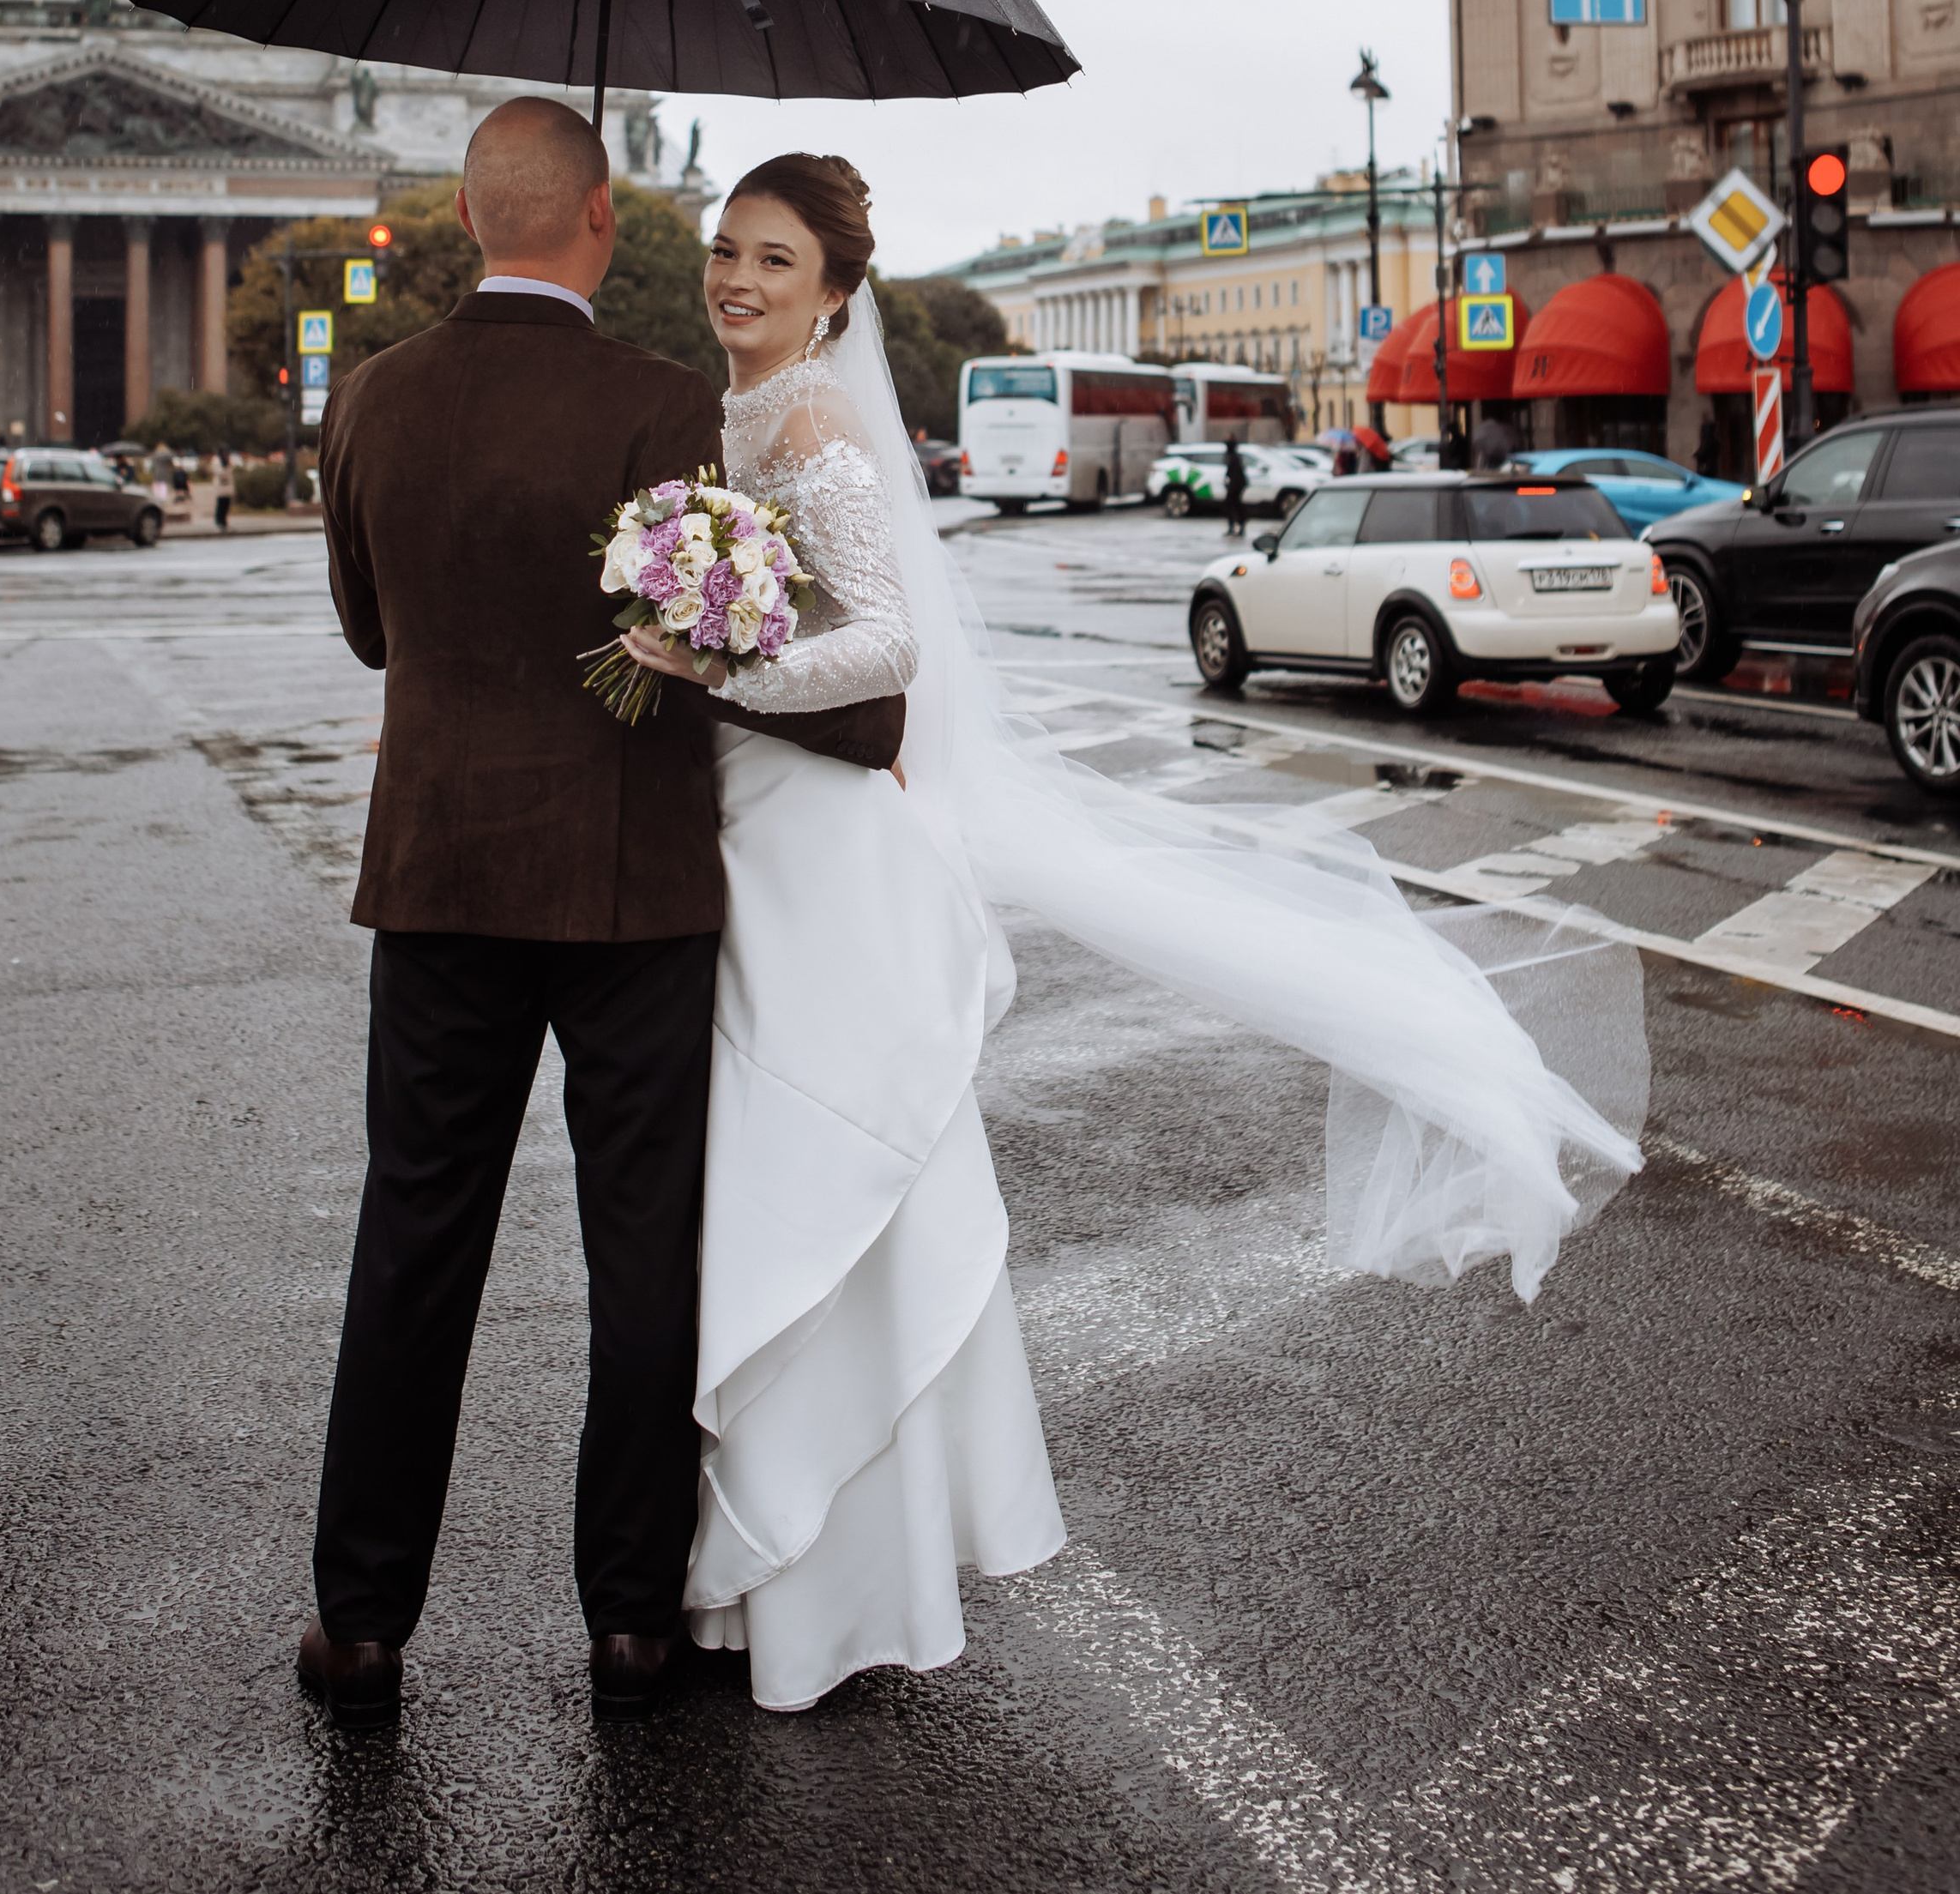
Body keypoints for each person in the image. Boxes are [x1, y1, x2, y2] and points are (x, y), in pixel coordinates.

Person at [617, 155, 1648, 1715]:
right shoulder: (727, 422)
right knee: (774, 1184)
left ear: (836, 293)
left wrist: (715, 674)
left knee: (823, 1173)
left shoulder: (819, 424)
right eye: (723, 250)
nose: (735, 279)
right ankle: (778, 1573)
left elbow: (884, 641)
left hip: (825, 846)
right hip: (753, 836)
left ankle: (818, 1583)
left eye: (772, 259)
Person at [297, 102, 899, 1729]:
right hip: (634, 893)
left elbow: (369, 634)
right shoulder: (658, 404)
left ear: (471, 215)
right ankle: (629, 1620)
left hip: (435, 880)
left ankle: (361, 1623)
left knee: (414, 1244)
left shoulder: (368, 398)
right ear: (600, 223)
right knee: (643, 1258)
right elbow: (713, 624)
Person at [1221, 435, 1247, 537]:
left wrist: (1231, 487)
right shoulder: (1233, 457)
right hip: (1236, 485)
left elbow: (1236, 475)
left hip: (1236, 485)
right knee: (1234, 505)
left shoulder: (1234, 457)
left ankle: (1237, 526)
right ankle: (1235, 526)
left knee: (1233, 505)